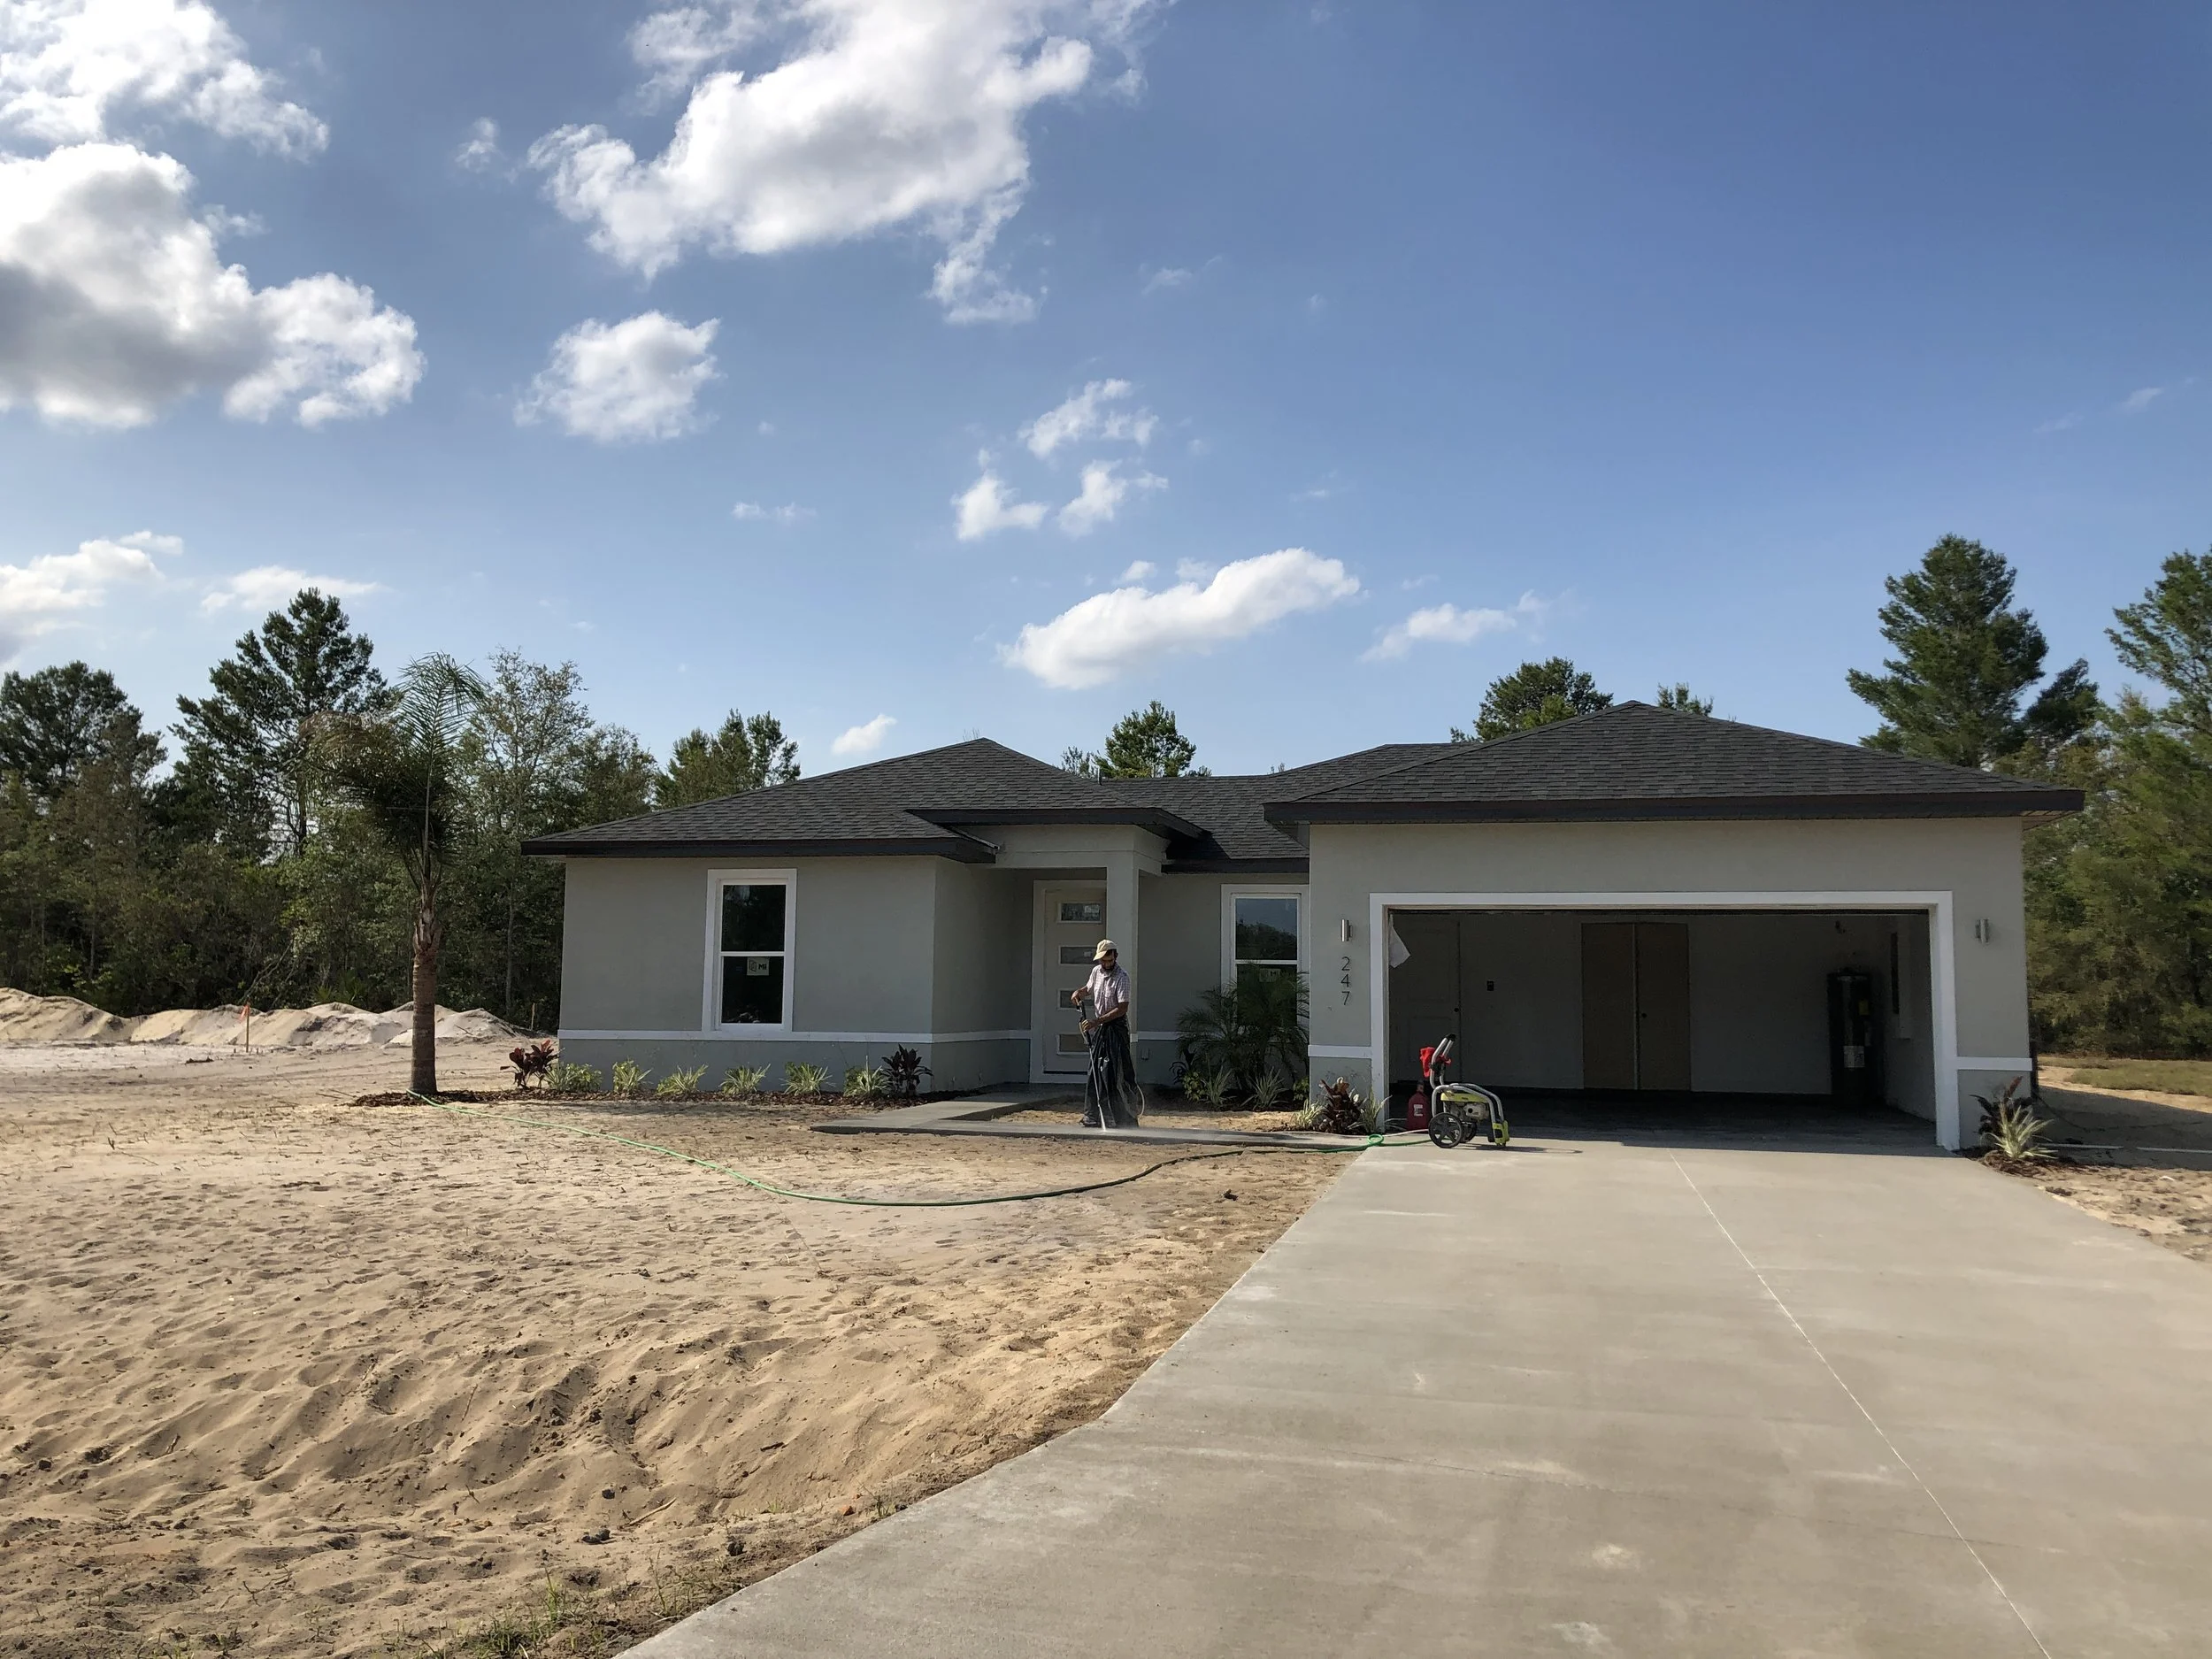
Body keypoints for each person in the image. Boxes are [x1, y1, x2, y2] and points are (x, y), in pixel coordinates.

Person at [1071, 939, 1141, 1128]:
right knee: (1094, 1071)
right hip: (1101, 1029)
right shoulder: (1096, 972)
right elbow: (1088, 989)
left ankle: (1121, 1118)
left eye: (1109, 960)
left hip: (1116, 1028)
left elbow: (1122, 1008)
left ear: (1115, 956)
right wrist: (1078, 993)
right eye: (1103, 960)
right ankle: (1092, 1115)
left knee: (1113, 1073)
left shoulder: (1122, 977)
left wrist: (1097, 1021)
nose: (1106, 963)